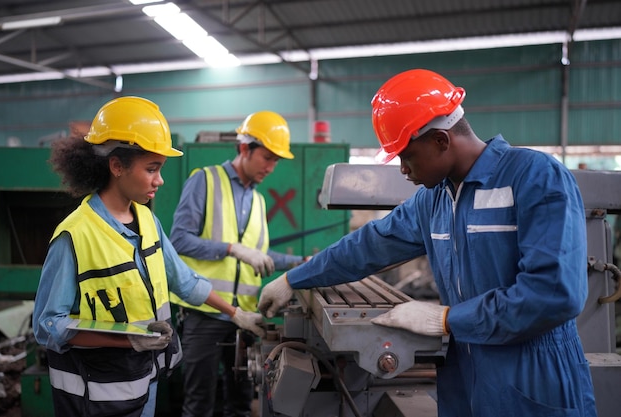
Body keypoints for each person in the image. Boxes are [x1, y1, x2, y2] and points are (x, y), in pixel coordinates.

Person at [258, 69, 598, 417]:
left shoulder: (534, 177)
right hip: (465, 376)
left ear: (440, 140)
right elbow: (368, 244)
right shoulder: (433, 201)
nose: (404, 169)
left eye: (407, 156)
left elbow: (554, 293)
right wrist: (293, 279)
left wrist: (448, 319)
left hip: (534, 375)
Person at [32, 96, 265, 417]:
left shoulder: (147, 221)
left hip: (144, 383)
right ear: (117, 166)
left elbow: (184, 282)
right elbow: (48, 327)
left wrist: (235, 313)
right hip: (95, 395)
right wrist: (130, 341)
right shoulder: (75, 235)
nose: (160, 180)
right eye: (151, 169)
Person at [169, 110, 307, 417]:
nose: (271, 167)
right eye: (267, 158)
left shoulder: (257, 200)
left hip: (245, 318)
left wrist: (303, 262)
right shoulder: (204, 181)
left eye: (276, 161)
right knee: (199, 405)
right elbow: (179, 240)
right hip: (204, 314)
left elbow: (261, 256)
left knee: (242, 404)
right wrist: (232, 249)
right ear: (245, 148)